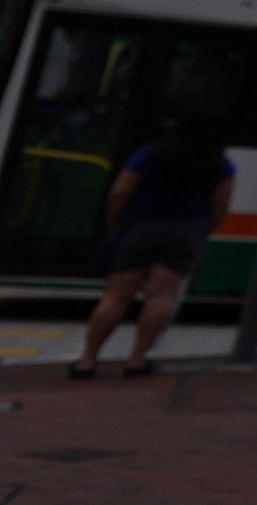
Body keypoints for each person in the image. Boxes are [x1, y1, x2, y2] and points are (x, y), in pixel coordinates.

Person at [74, 107, 233, 379]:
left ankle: (88, 361)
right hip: (187, 230)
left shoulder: (150, 154)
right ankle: (136, 360)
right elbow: (220, 207)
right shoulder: (221, 165)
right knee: (161, 296)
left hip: (140, 226)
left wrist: (116, 225)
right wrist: (201, 230)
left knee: (117, 295)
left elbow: (119, 193)